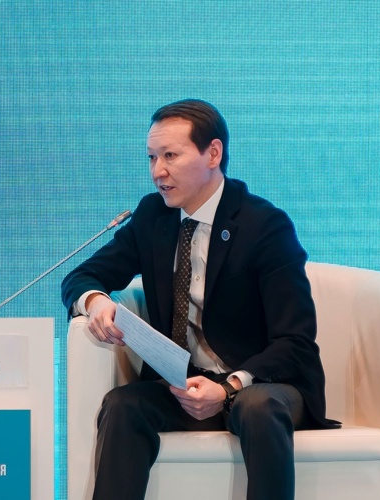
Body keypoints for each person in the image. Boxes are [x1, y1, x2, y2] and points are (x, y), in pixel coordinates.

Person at [61, 99, 339, 500]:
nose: (158, 171)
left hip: (263, 384)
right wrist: (96, 302)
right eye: (152, 157)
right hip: (184, 384)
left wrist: (229, 387)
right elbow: (81, 276)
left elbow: (294, 342)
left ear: (213, 153)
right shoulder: (153, 216)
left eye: (170, 156)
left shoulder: (264, 225)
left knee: (256, 406)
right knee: (123, 405)